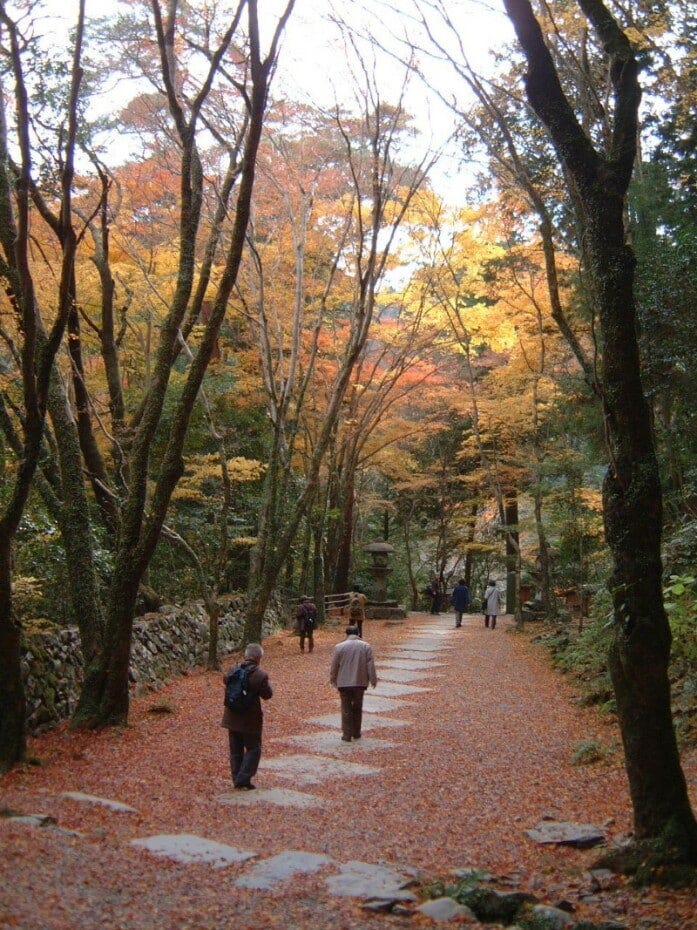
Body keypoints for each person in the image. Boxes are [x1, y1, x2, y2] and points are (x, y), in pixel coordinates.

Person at [221, 643, 273, 790]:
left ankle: (237, 777)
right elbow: (267, 695)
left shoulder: (232, 670)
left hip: (231, 717)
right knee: (253, 748)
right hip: (250, 720)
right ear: (258, 658)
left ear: (246, 655)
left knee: (235, 750)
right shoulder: (260, 675)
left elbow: (225, 681)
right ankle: (243, 779)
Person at [329, 624, 377, 742]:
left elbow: (334, 665)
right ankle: (356, 732)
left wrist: (333, 678)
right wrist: (373, 679)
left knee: (346, 708)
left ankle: (347, 734)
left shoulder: (339, 647)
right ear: (358, 633)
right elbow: (370, 664)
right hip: (360, 681)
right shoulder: (366, 646)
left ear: (346, 634)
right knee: (357, 707)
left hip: (344, 682)